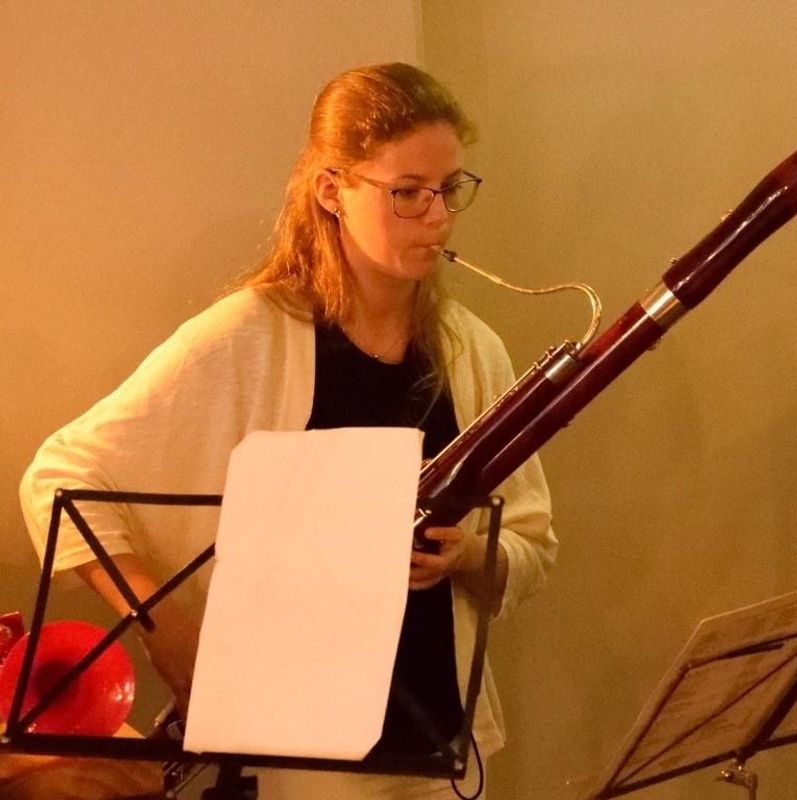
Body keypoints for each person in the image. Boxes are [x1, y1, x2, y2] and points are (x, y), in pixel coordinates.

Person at [20, 62, 556, 799]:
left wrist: (468, 555)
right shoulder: (250, 335)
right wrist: (164, 627)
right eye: (407, 192)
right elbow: (58, 475)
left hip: (437, 744)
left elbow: (531, 544)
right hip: (301, 756)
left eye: (449, 188)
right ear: (333, 190)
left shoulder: (472, 348)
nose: (437, 216)